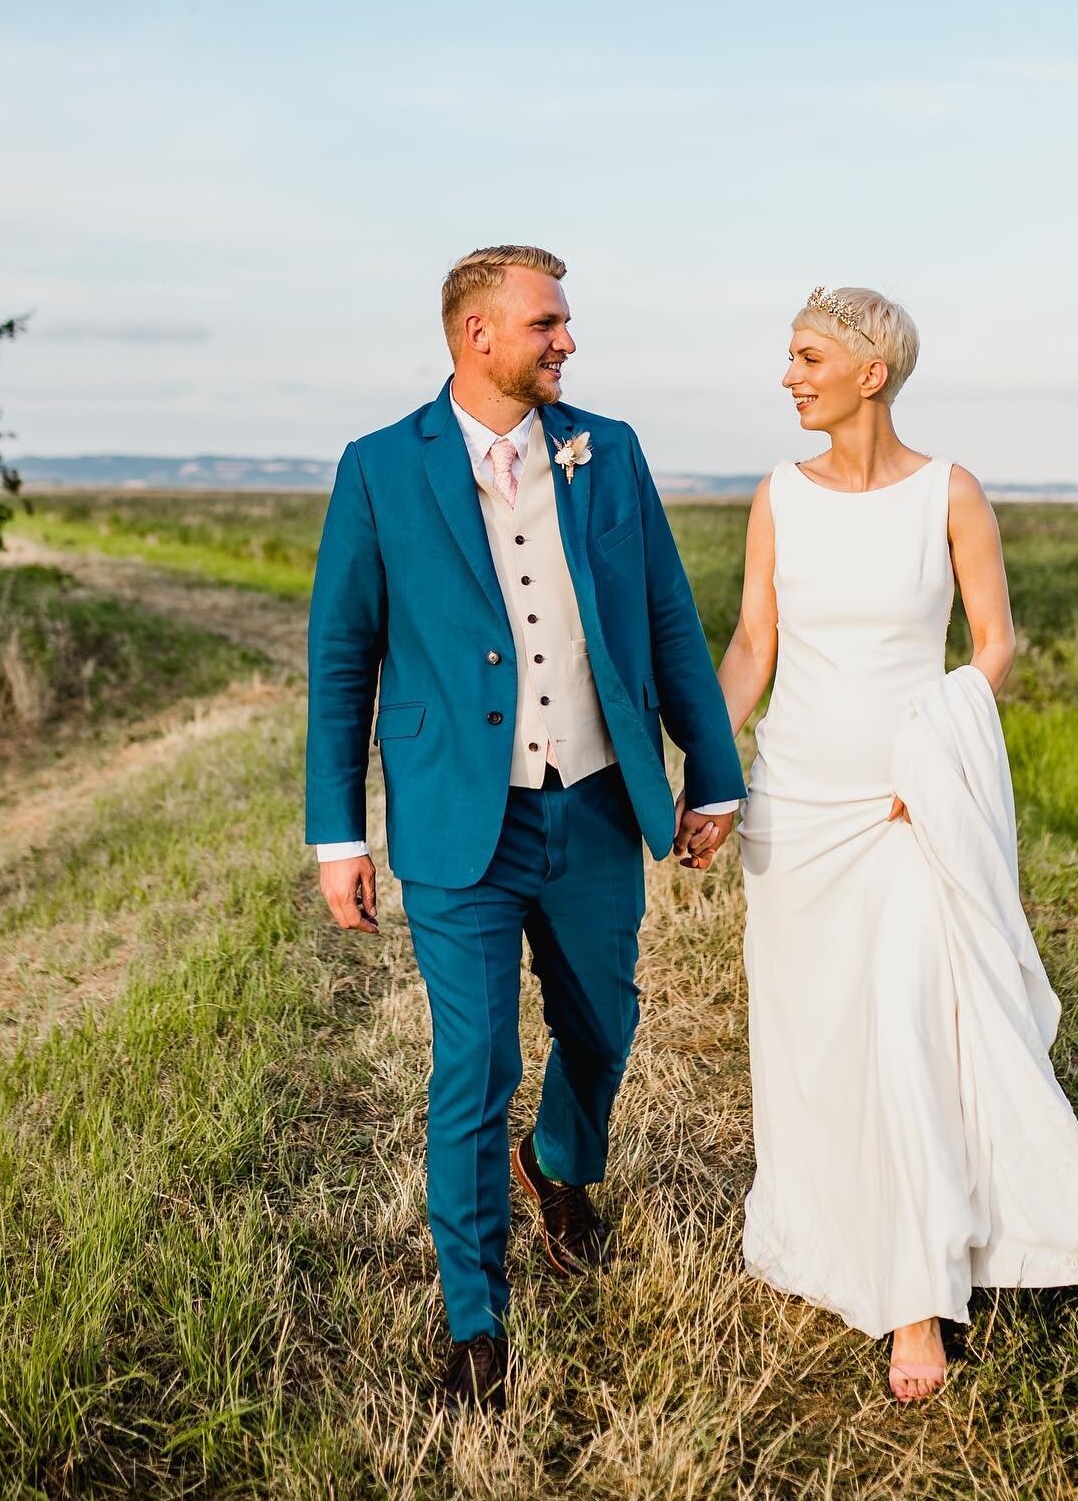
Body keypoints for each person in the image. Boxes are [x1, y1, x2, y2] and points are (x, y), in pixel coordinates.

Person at [304, 245, 745, 1412]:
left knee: (604, 1028)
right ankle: (474, 1328)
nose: (568, 343)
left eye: (566, 324)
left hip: (597, 802)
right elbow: (343, 664)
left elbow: (665, 617)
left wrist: (713, 771)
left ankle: (559, 1161)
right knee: (475, 1063)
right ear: (478, 335)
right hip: (464, 823)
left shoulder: (610, 451)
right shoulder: (378, 471)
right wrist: (335, 834)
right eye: (548, 324)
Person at [713, 285, 1078, 1403]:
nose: (789, 375)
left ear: (872, 370)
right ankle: (823, 1230)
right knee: (814, 1035)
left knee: (907, 1026)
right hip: (797, 805)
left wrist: (939, 748)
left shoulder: (950, 494)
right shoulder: (777, 496)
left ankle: (916, 1301)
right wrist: (713, 773)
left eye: (808, 356)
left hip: (908, 803)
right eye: (789, 356)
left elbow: (996, 644)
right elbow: (755, 641)